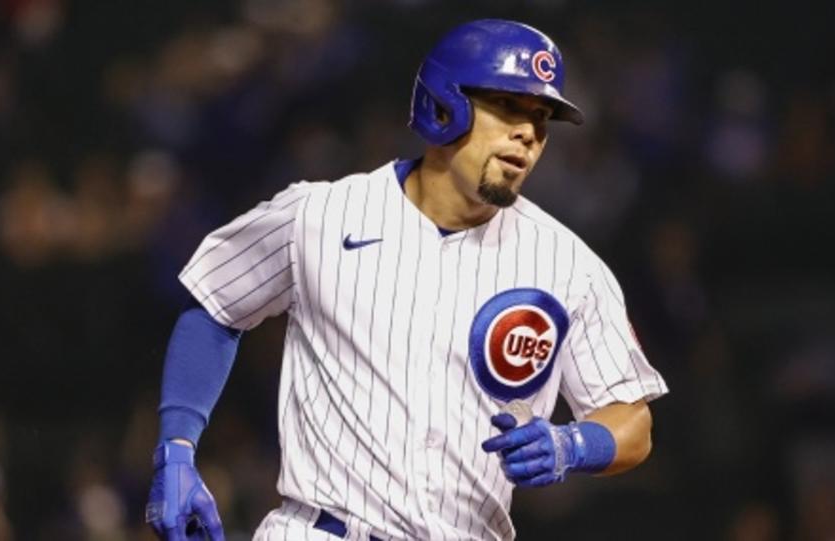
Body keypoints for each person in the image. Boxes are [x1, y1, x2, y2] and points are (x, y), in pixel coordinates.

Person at [145, 18, 668, 541]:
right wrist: (177, 448)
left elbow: (632, 420)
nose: (529, 133)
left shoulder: (569, 266)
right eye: (509, 107)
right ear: (443, 106)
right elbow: (216, 304)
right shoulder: (321, 215)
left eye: (540, 118)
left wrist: (572, 445)